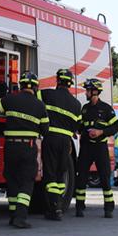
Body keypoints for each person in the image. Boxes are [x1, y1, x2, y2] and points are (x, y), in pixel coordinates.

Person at [0, 71, 49, 228]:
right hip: (28, 146)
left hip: (10, 146)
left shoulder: (9, 99)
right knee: (27, 181)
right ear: (35, 88)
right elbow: (45, 130)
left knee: (13, 180)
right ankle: (20, 218)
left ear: (20, 85)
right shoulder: (40, 105)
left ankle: (13, 215)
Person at [39, 69, 82, 221]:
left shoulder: (47, 94)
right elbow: (78, 126)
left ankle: (53, 208)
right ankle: (59, 205)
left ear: (57, 80)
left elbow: (32, 98)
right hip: (66, 142)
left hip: (51, 137)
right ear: (70, 83)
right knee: (60, 173)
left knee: (49, 173)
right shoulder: (77, 104)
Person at [74, 78, 118, 219]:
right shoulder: (85, 108)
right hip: (86, 147)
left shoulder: (106, 109)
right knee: (81, 176)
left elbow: (115, 126)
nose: (85, 93)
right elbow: (80, 126)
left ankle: (108, 208)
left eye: (87, 90)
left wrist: (101, 132)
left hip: (100, 147)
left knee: (105, 177)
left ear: (94, 91)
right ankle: (80, 207)